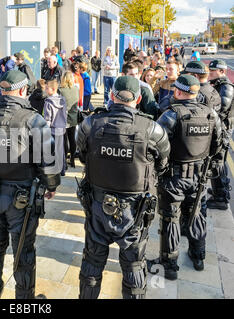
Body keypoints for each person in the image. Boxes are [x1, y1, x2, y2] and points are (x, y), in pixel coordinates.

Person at [0, 70, 61, 299]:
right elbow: (47, 160)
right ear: (22, 90)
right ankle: (24, 299)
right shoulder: (32, 119)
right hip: (21, 197)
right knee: (23, 250)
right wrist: (52, 185)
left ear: (2, 89)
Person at [76, 76, 170, 299]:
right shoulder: (153, 130)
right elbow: (163, 164)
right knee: (134, 265)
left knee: (92, 261)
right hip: (135, 211)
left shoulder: (90, 124)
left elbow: (82, 156)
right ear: (138, 99)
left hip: (98, 205)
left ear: (111, 95)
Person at [148, 75, 222, 280]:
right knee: (197, 213)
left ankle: (169, 264)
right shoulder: (210, 114)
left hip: (174, 177)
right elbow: (218, 144)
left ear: (178, 92)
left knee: (170, 219)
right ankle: (198, 256)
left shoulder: (171, 115)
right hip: (199, 176)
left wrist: (159, 171)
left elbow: (156, 148)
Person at [207, 60, 234, 210]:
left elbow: (221, 109)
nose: (210, 73)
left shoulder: (226, 87)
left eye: (213, 71)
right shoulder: (219, 85)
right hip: (221, 129)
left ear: (222, 71)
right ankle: (220, 190)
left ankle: (220, 198)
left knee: (217, 162)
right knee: (219, 162)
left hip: (222, 130)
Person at [44, 79, 67, 176]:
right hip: (61, 128)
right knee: (60, 149)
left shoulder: (48, 102)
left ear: (53, 89)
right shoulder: (63, 100)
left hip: (52, 129)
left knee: (51, 150)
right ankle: (62, 169)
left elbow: (48, 118)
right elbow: (65, 114)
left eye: (47, 88)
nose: (45, 90)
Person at [59, 71, 79, 168]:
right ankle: (72, 159)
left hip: (63, 117)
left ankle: (65, 160)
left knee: (64, 139)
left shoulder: (61, 90)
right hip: (74, 117)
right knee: (72, 139)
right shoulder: (76, 89)